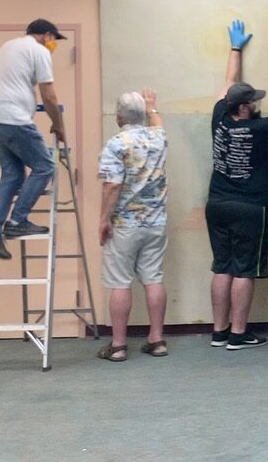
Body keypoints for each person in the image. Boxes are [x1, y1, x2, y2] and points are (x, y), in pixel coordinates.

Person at [207, 19, 268, 351]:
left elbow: (227, 82)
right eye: (253, 101)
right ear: (244, 107)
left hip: (216, 204)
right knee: (244, 270)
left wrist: (235, 48)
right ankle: (238, 333)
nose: (257, 104)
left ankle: (218, 331)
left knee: (222, 266)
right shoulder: (260, 130)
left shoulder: (219, 116)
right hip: (250, 208)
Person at [0, 18, 68, 260]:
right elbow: (49, 96)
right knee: (45, 165)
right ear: (47, 35)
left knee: (13, 174)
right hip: (13, 120)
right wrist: (58, 126)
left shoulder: (7, 47)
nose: (53, 46)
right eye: (54, 41)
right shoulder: (38, 50)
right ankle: (17, 220)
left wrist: (12, 89)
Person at [96, 89, 168, 362]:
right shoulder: (158, 138)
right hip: (156, 222)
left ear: (118, 117)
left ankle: (118, 345)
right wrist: (152, 105)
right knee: (153, 278)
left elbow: (112, 185)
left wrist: (103, 220)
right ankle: (157, 340)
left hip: (124, 224)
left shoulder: (115, 144)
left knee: (120, 282)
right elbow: (157, 122)